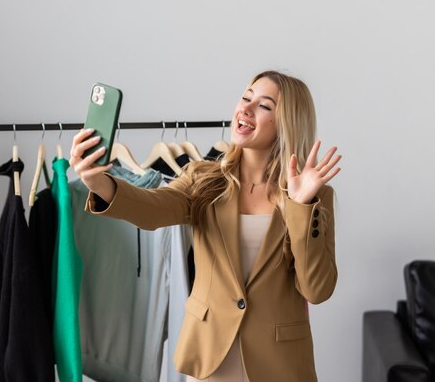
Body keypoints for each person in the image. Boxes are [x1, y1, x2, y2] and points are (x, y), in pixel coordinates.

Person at [70, 70, 341, 382]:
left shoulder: (315, 197)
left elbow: (316, 289)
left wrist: (301, 206)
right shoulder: (204, 179)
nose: (246, 109)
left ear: (287, 122)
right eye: (245, 98)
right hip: (212, 358)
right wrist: (99, 182)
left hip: (278, 364)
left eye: (264, 106)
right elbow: (153, 209)